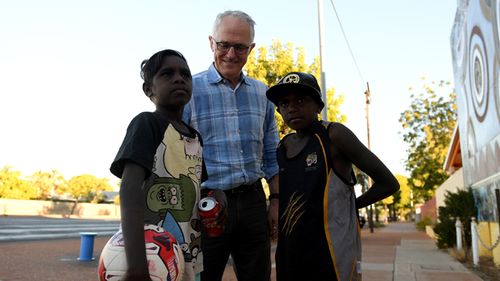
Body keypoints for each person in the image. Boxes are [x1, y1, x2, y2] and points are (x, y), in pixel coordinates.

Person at [265, 72, 400, 281]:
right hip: (290, 252)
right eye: (284, 103)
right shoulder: (283, 147)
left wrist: (351, 204)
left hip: (330, 252)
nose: (292, 107)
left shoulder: (334, 135)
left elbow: (388, 183)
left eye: (301, 100)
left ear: (319, 106)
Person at [182, 10, 279, 281]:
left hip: (253, 203)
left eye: (240, 47)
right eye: (224, 45)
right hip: (206, 204)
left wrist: (276, 201)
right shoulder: (190, 91)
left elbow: (272, 155)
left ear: (251, 48)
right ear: (212, 43)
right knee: (203, 276)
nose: (231, 54)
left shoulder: (264, 94)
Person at [110, 49, 206, 281]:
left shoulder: (195, 137)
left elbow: (196, 188)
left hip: (188, 259)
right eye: (167, 74)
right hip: (152, 260)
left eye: (185, 74)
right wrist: (137, 265)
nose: (178, 78)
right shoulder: (146, 124)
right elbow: (130, 188)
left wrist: (216, 196)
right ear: (148, 89)